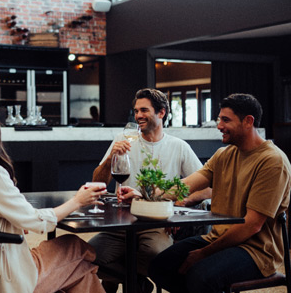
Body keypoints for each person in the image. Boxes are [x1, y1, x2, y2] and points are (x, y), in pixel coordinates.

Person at [0, 103, 107, 293]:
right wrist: (78, 201)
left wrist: (14, 222)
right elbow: (37, 222)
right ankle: (110, 269)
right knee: (75, 247)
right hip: (2, 274)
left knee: (82, 270)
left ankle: (99, 269)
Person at [147, 93, 291, 293]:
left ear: (248, 121)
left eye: (226, 120)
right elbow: (186, 185)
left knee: (200, 276)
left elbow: (252, 226)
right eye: (219, 119)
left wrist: (203, 253)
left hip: (256, 251)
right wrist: (146, 194)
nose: (218, 125)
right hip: (217, 239)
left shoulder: (272, 161)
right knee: (159, 266)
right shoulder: (224, 154)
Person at [88, 88, 210, 293]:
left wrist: (176, 204)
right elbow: (97, 183)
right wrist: (111, 158)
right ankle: (136, 282)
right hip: (120, 221)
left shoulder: (178, 146)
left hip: (157, 223)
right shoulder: (123, 139)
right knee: (88, 257)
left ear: (161, 113)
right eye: (136, 111)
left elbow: (208, 189)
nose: (138, 116)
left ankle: (122, 278)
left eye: (144, 110)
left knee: (158, 256)